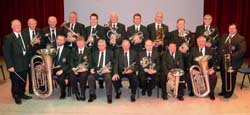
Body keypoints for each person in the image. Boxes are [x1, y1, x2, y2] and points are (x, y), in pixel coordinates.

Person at [3, 19, 32, 104]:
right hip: (15, 65)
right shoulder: (8, 37)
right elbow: (6, 53)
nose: (18, 26)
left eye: (19, 25)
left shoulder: (24, 35)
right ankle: (16, 96)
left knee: (23, 80)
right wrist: (9, 66)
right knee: (15, 81)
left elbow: (28, 49)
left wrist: (29, 61)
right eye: (16, 25)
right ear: (12, 27)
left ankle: (22, 93)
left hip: (24, 63)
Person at [218, 24, 246, 98]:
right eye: (230, 28)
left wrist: (231, 56)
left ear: (236, 29)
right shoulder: (224, 36)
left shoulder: (240, 38)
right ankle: (224, 90)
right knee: (223, 76)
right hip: (223, 61)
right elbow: (220, 46)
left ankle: (229, 93)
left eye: (233, 28)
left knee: (230, 78)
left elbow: (242, 51)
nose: (231, 30)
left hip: (233, 62)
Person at [188, 36, 217, 100]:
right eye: (199, 41)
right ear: (197, 42)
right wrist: (192, 70)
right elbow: (189, 62)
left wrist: (213, 69)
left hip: (207, 70)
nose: (200, 43)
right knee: (188, 75)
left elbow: (214, 62)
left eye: (202, 41)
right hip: (196, 70)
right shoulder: (193, 50)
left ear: (205, 42)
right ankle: (192, 90)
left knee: (213, 77)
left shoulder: (210, 50)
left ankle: (211, 92)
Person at [87, 39, 113, 104]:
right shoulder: (94, 53)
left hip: (106, 70)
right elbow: (91, 63)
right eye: (99, 46)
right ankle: (92, 94)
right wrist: (91, 68)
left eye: (102, 45)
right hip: (97, 69)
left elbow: (114, 63)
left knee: (108, 77)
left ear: (105, 45)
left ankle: (109, 95)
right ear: (97, 46)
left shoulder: (110, 53)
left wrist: (109, 69)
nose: (101, 47)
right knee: (90, 77)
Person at [22, 18, 42, 94]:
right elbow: (23, 45)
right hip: (28, 55)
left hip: (38, 55)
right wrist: (31, 43)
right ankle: (30, 88)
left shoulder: (39, 31)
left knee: (37, 72)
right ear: (28, 24)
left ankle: (38, 86)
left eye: (34, 24)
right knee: (29, 72)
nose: (33, 25)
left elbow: (43, 41)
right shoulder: (24, 32)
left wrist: (39, 41)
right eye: (31, 23)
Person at [70, 36, 90, 101]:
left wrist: (85, 68)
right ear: (76, 43)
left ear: (84, 42)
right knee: (72, 76)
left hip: (84, 69)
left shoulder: (88, 50)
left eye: (81, 43)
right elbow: (71, 61)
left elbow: (91, 61)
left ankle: (82, 93)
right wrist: (74, 69)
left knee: (83, 76)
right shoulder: (73, 50)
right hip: (75, 68)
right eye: (78, 43)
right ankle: (76, 92)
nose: (80, 45)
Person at [53, 35, 71, 99]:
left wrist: (62, 70)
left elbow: (69, 64)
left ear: (64, 41)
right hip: (52, 68)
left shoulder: (68, 50)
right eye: (58, 39)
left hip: (62, 68)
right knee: (42, 73)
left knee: (60, 78)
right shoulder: (52, 48)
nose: (60, 41)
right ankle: (44, 89)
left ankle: (63, 93)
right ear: (56, 40)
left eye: (62, 40)